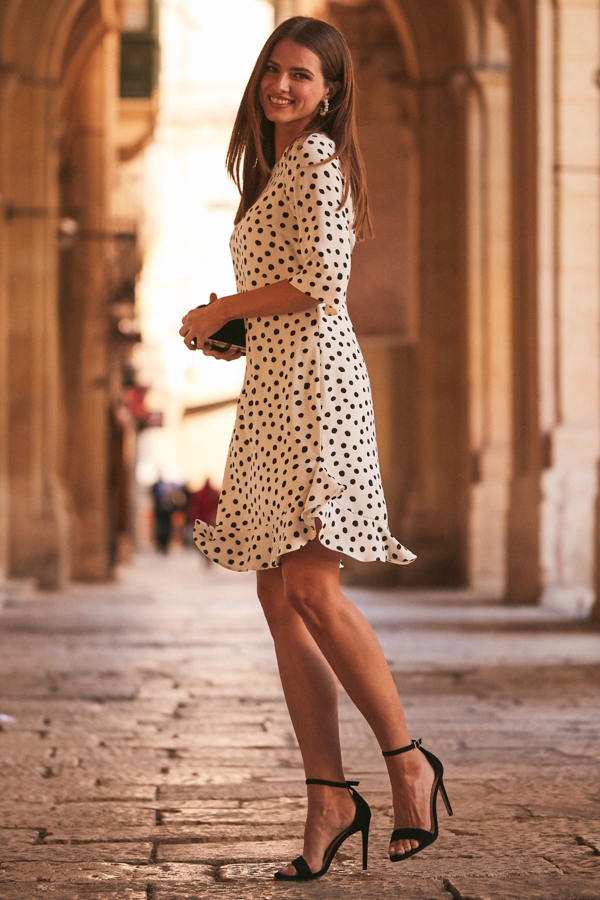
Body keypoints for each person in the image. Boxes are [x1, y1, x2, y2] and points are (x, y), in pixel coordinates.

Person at [179, 16, 452, 881]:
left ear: (330, 92)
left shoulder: (319, 160)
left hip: (316, 396)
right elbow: (289, 296)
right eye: (274, 69)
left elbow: (321, 284)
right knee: (276, 594)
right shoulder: (272, 167)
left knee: (309, 586)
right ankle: (327, 796)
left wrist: (226, 308)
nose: (282, 85)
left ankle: (409, 763)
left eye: (301, 74)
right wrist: (233, 332)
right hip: (274, 388)